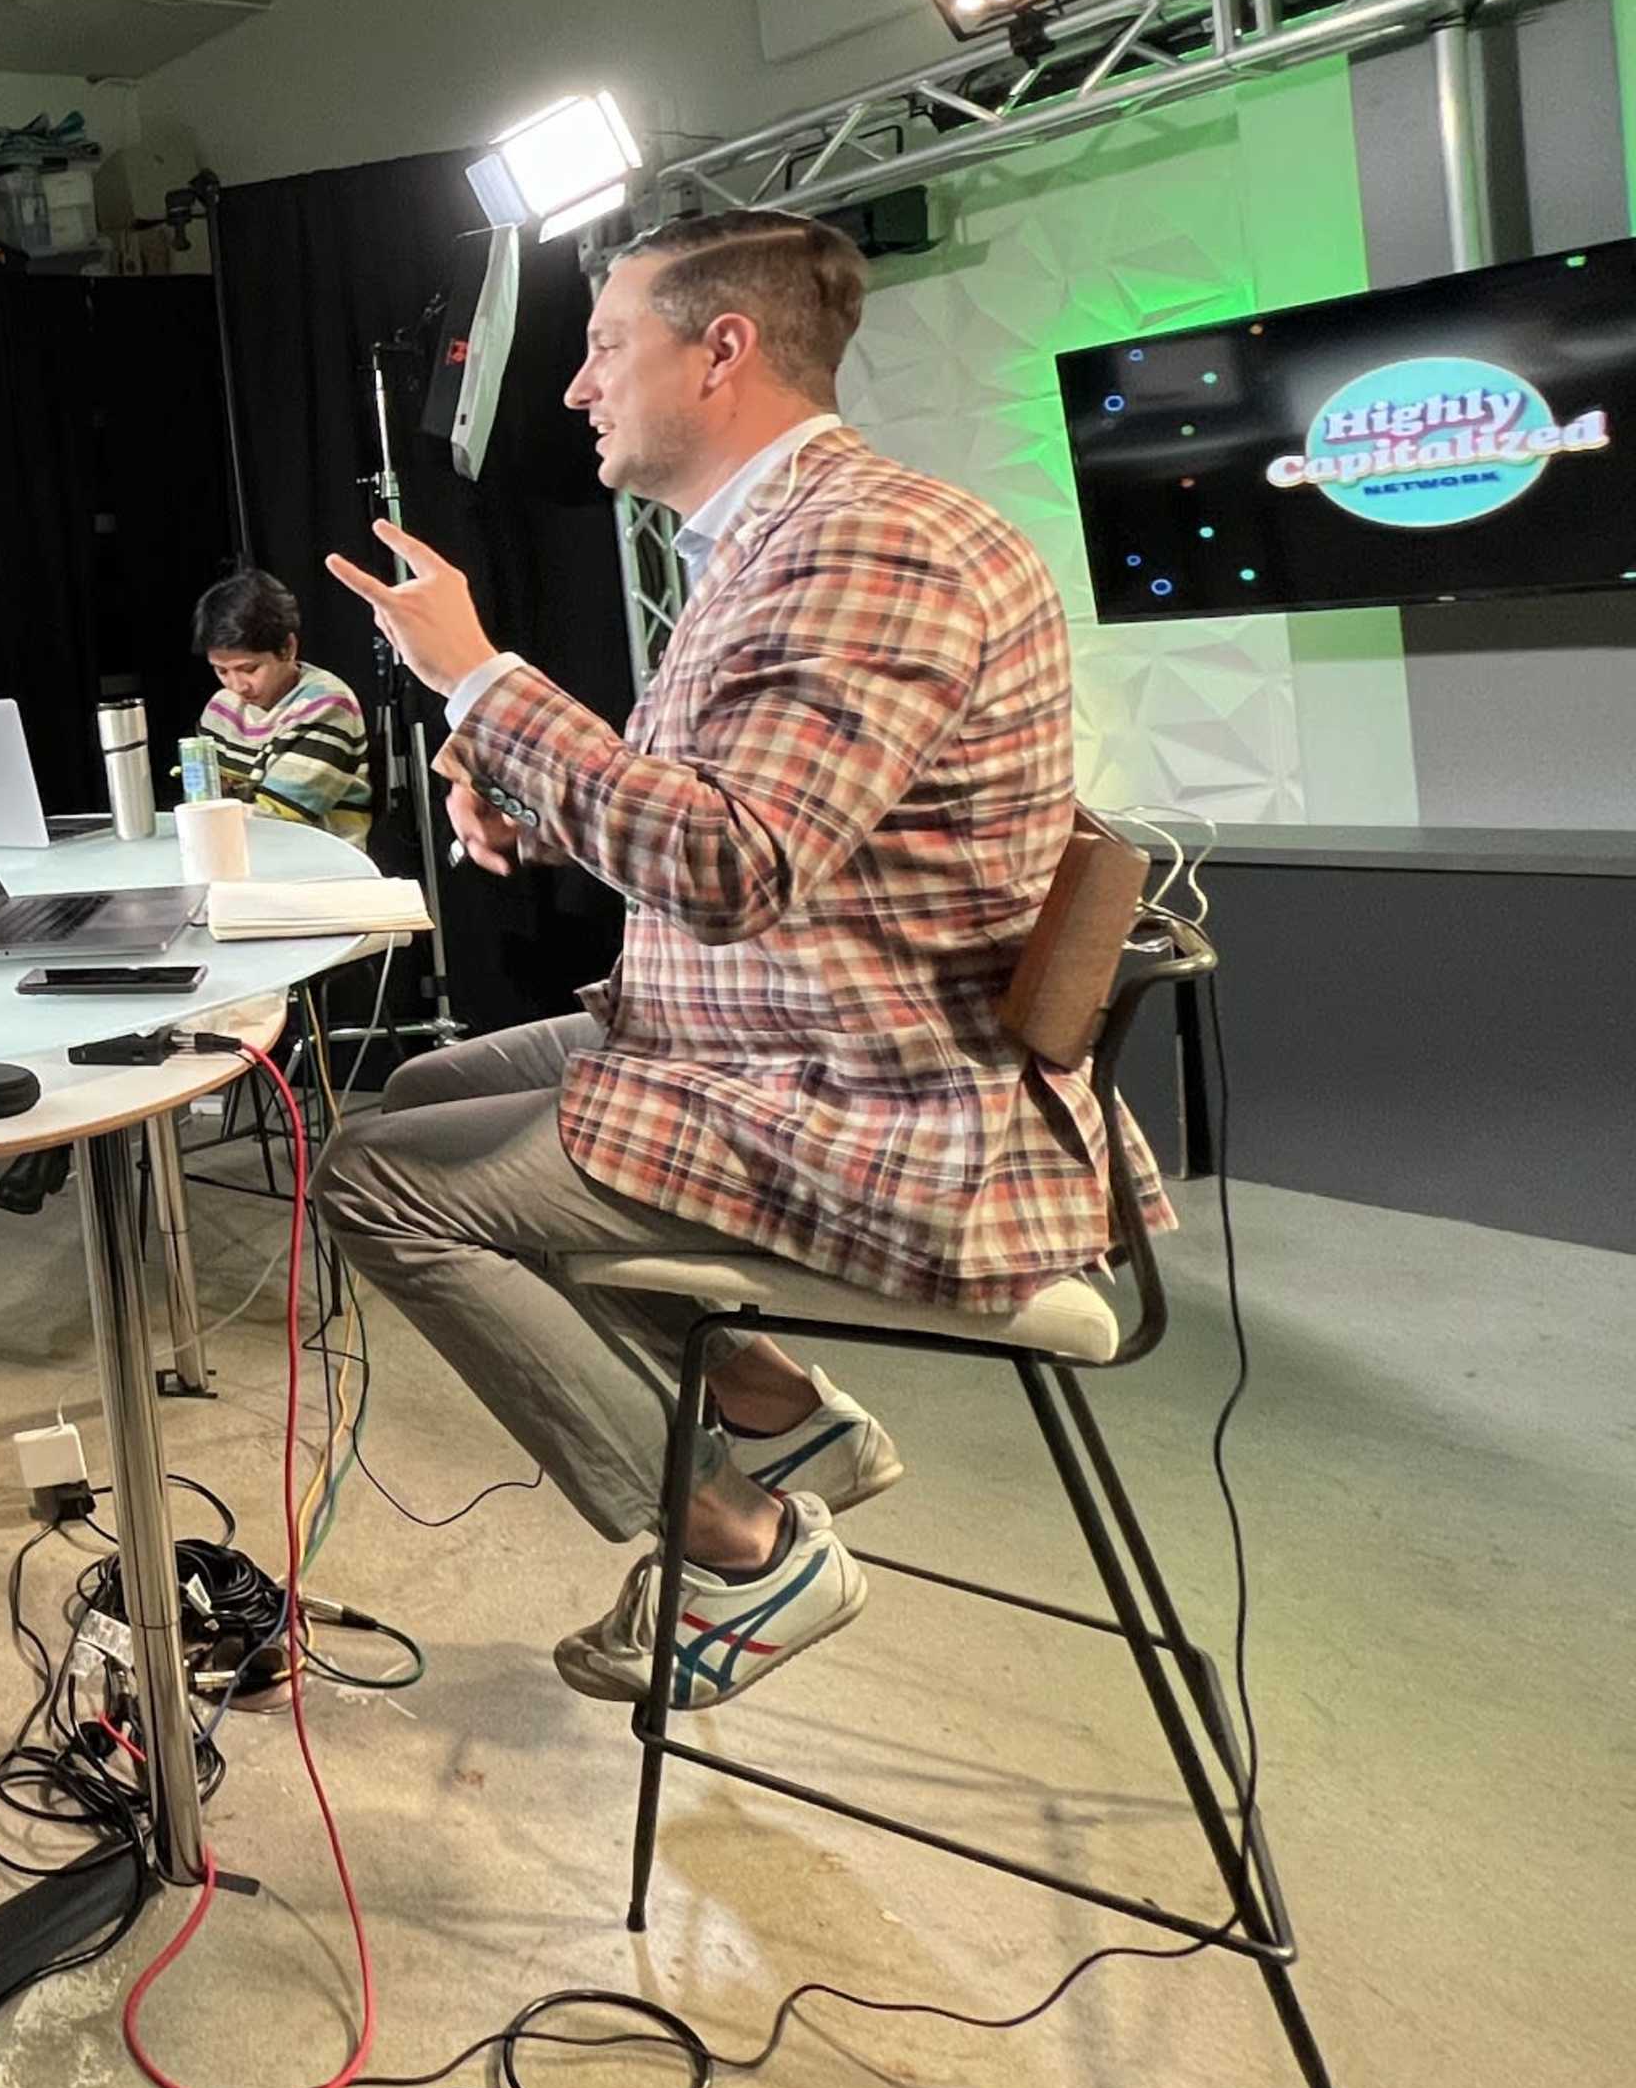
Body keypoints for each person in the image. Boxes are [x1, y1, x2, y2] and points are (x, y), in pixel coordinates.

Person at [314, 208, 1158, 1712]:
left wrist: (482, 679)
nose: (574, 388)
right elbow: (752, 830)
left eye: (600, 347)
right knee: (422, 1090)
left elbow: (729, 862)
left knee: (370, 1182)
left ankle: (742, 1539)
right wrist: (536, 802)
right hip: (761, 1035)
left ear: (724, 351)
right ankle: (778, 1410)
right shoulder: (780, 543)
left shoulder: (875, 546)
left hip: (879, 1102)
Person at [190, 568, 373, 845]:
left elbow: (280, 821)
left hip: (320, 865)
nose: (237, 686)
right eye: (221, 671)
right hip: (240, 856)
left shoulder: (326, 704)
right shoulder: (221, 706)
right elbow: (201, 797)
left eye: (249, 668)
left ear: (288, 648)